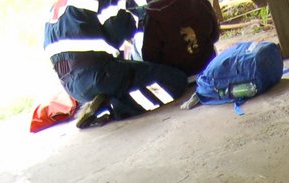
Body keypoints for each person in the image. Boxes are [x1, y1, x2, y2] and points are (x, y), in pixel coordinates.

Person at [43, 0, 190, 129]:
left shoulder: (56, 7)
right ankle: (111, 108)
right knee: (175, 81)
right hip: (100, 74)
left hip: (72, 87)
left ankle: (101, 102)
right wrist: (145, 15)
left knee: (133, 74)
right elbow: (118, 32)